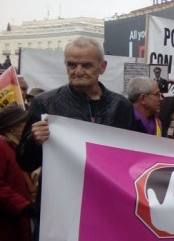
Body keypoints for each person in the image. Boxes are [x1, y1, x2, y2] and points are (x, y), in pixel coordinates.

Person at [17, 36, 134, 172]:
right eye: (72, 65)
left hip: (104, 189)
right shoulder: (44, 103)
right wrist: (34, 141)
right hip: (61, 190)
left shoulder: (121, 106)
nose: (78, 71)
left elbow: (133, 158)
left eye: (87, 65)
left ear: (102, 67)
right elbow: (24, 164)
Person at [0, 106, 35, 241]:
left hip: (15, 232)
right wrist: (24, 206)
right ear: (12, 127)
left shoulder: (14, 148)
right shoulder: (1, 148)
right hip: (6, 233)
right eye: (24, 124)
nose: (27, 127)